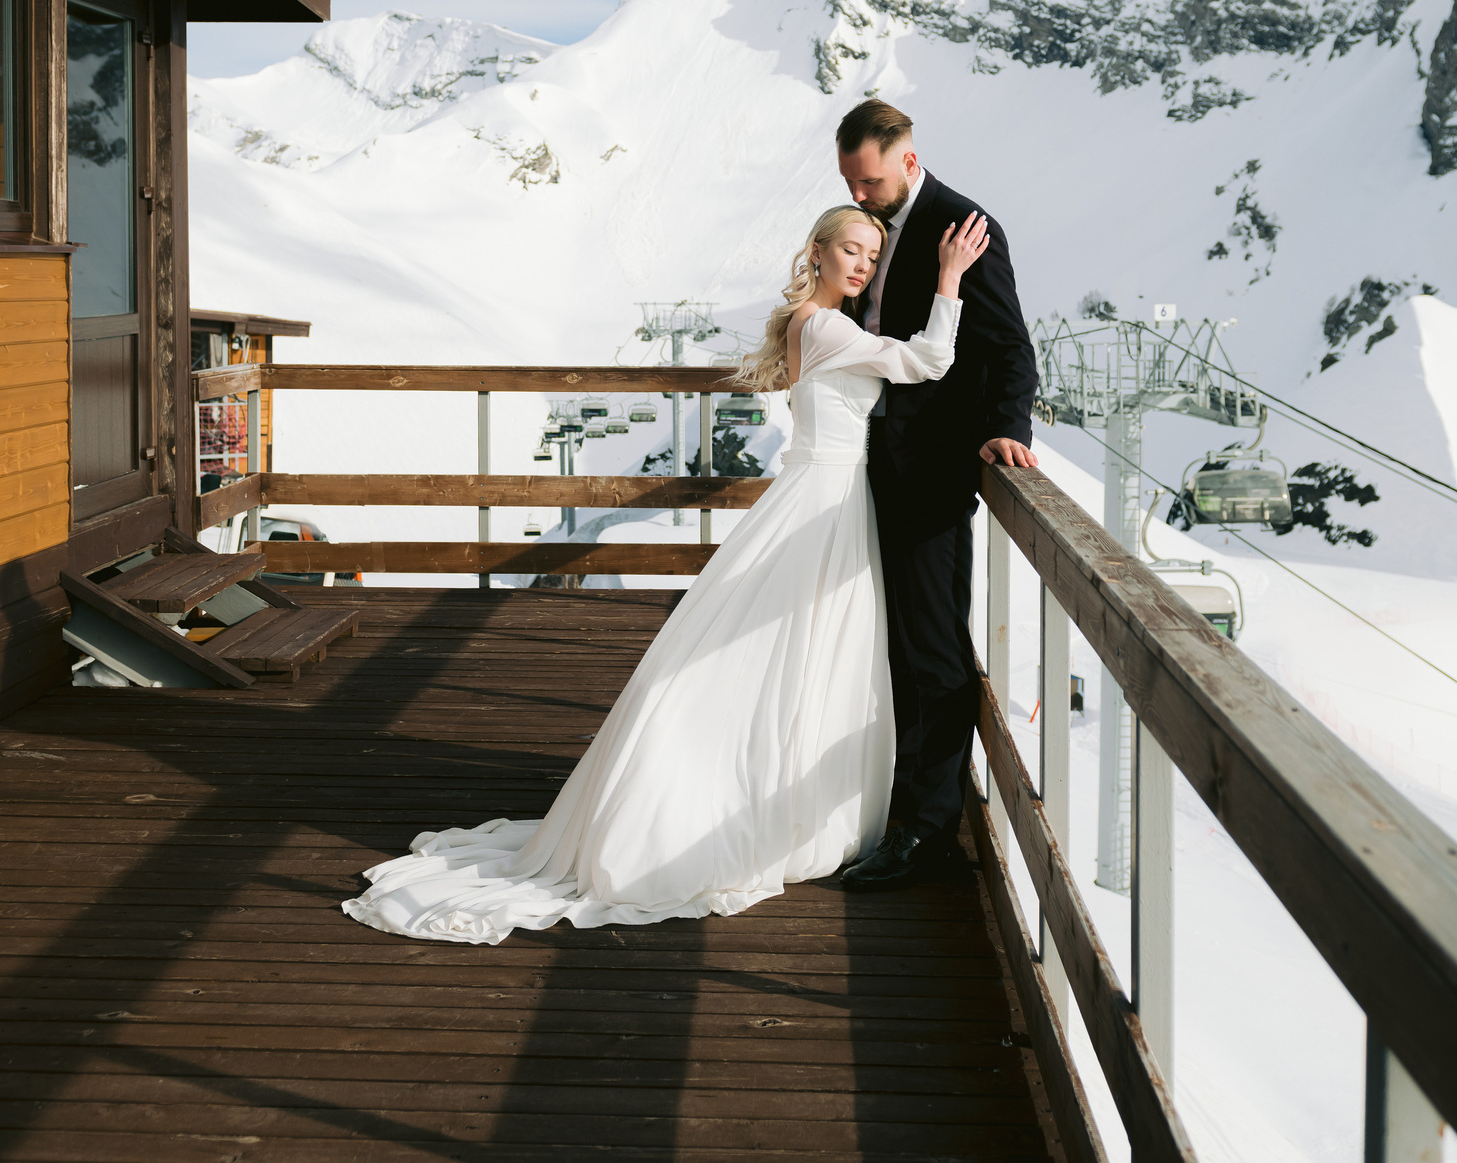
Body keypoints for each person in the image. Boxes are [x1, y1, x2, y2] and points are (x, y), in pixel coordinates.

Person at [342, 202, 995, 944]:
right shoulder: (827, 326)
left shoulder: (814, 326)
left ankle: (766, 798)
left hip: (825, 498)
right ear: (815, 252)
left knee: (798, 654)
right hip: (826, 502)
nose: (862, 265)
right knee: (791, 653)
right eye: (851, 249)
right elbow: (927, 361)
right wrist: (949, 279)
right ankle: (748, 807)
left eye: (872, 256)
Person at [830, 98, 1038, 892]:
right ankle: (886, 806)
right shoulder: (869, 225)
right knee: (882, 642)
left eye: (871, 181)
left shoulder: (965, 225)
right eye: (851, 183)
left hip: (932, 471)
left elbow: (1009, 343)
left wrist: (1007, 425)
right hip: (868, 464)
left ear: (908, 160)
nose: (861, 196)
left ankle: (925, 830)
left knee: (932, 650)